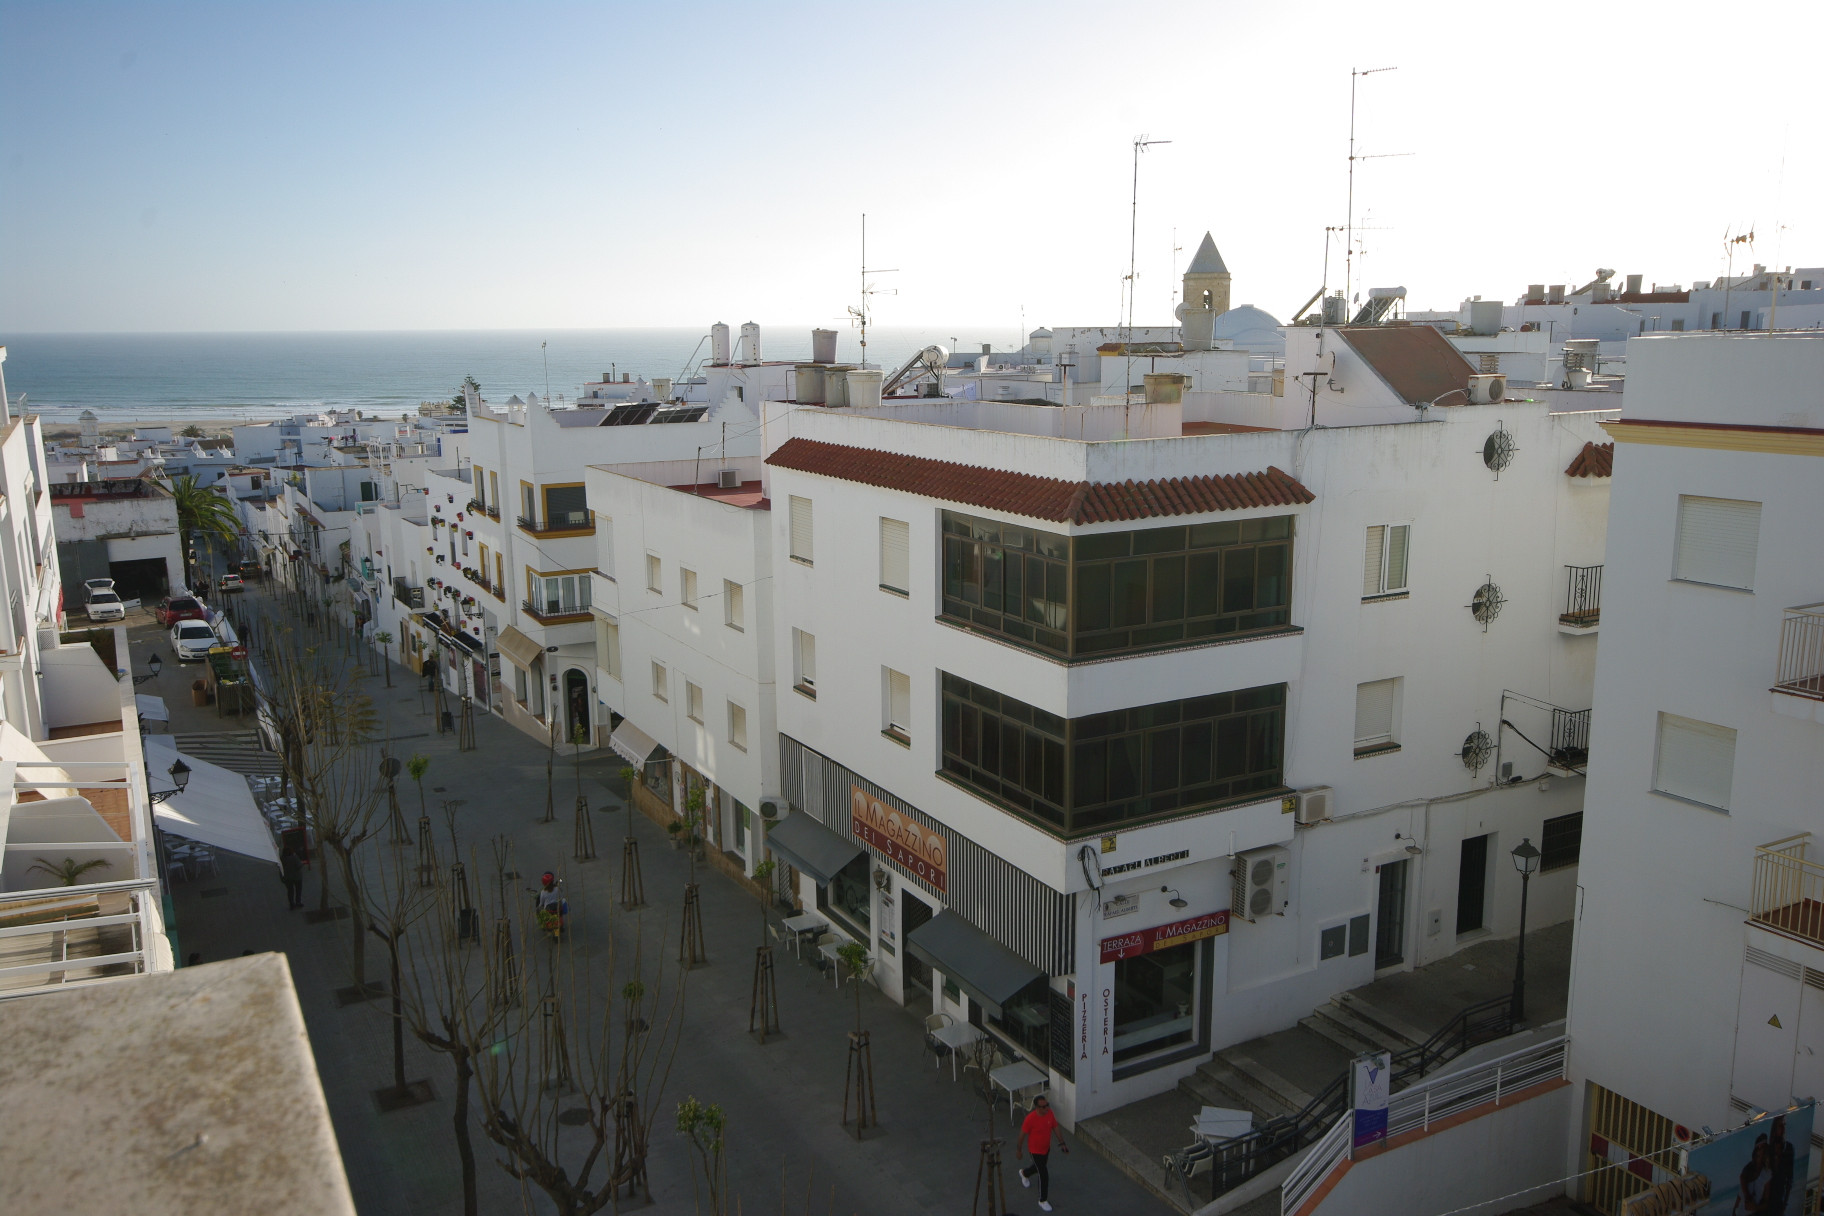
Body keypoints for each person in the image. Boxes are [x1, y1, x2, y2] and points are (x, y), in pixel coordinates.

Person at [1016, 1093, 1068, 1212]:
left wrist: (1062, 1143)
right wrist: (1019, 1150)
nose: (1046, 1108)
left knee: (1038, 1168)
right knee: (1043, 1174)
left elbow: (1055, 1127)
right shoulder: (1030, 1119)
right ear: (1036, 1107)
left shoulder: (1049, 1114)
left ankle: (1024, 1173)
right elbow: (1021, 1135)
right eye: (1043, 1107)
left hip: (1046, 1149)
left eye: (1047, 1105)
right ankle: (1042, 1200)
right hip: (1035, 1151)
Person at [280, 843, 305, 910]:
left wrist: (282, 878)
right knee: (298, 890)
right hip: (297, 877)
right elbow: (299, 866)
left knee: (290, 891)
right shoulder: (294, 857)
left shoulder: (282, 859)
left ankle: (292, 904)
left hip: (287, 877)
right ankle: (298, 902)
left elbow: (280, 869)